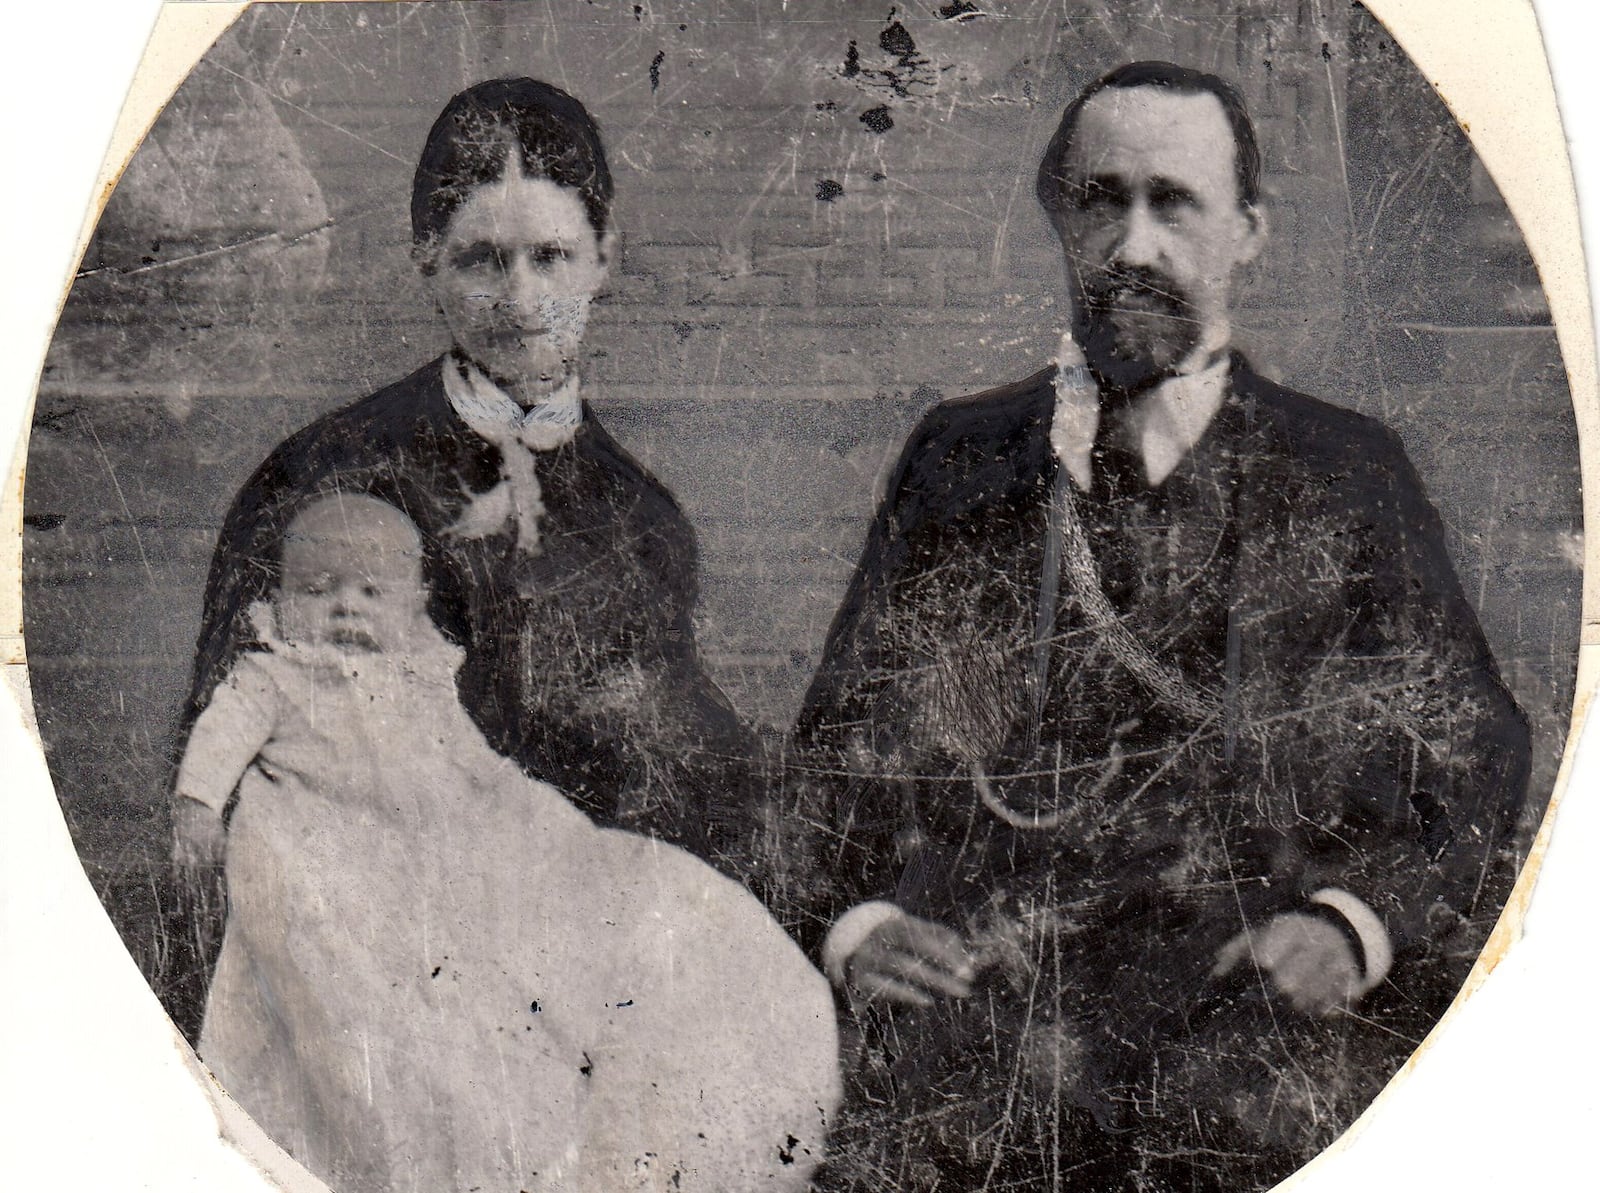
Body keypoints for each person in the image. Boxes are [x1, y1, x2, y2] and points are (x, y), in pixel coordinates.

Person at [787, 61, 1531, 1191]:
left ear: (1246, 231)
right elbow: (834, 753)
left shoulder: (1346, 472)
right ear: (1060, 219)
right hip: (995, 1019)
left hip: (1249, 1020)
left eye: (1172, 202)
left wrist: (1349, 924)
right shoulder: (960, 458)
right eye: (1100, 199)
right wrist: (861, 923)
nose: (1133, 244)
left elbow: (1476, 753)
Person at [167, 78, 754, 1035]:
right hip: (359, 976)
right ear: (426, 261)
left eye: (551, 257)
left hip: (584, 981)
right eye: (484, 260)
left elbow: (687, 787)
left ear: (606, 260)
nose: (522, 299)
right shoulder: (323, 476)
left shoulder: (645, 518)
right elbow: (218, 773)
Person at [173, 492, 839, 1193]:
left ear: (414, 605)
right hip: (326, 830)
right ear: (278, 603)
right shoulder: (275, 677)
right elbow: (222, 736)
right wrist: (199, 805)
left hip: (432, 835)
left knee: (525, 908)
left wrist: (505, 794)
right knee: (346, 964)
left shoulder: (418, 679)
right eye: (317, 590)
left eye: (372, 591)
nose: (346, 608)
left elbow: (457, 753)